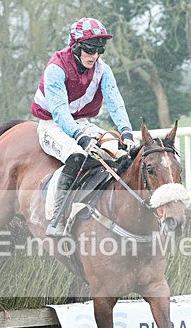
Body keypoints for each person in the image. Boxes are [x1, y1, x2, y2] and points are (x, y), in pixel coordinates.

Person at [31, 17, 135, 237]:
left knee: (121, 153)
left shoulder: (102, 70)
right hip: (52, 124)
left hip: (82, 123)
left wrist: (126, 132)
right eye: (90, 48)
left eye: (100, 49)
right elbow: (59, 112)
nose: (94, 55)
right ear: (76, 46)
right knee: (77, 154)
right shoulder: (56, 69)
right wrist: (80, 137)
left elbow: (116, 103)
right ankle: (57, 218)